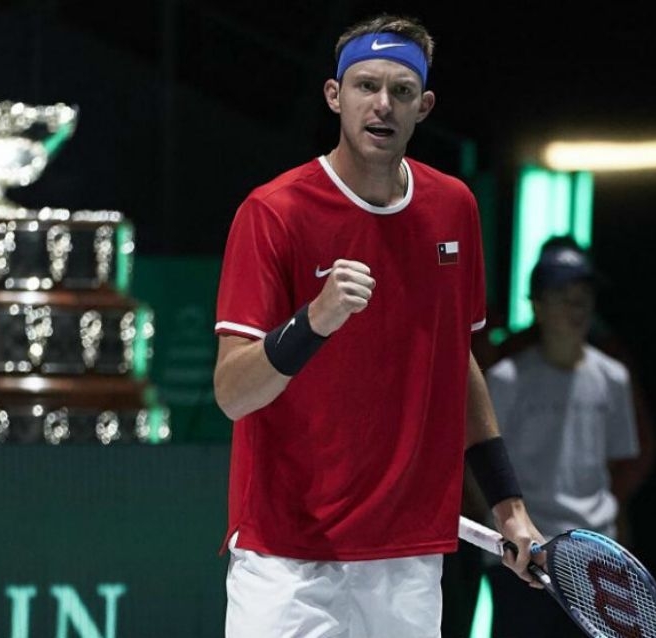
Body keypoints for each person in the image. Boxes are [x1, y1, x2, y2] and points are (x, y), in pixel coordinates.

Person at [213, 14, 544, 638]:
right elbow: (233, 393)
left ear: (424, 106)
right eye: (366, 86)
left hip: (408, 561)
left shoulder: (454, 208)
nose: (382, 104)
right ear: (334, 96)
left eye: (401, 90)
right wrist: (314, 321)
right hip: (287, 558)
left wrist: (510, 507)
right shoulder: (273, 212)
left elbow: (456, 363)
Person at [484, 238, 642, 638]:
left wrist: (623, 556)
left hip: (595, 559)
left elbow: (616, 471)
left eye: (584, 296)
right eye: (563, 296)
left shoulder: (613, 378)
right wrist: (497, 538)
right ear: (537, 305)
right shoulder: (505, 379)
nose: (577, 307)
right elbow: (478, 465)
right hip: (524, 555)